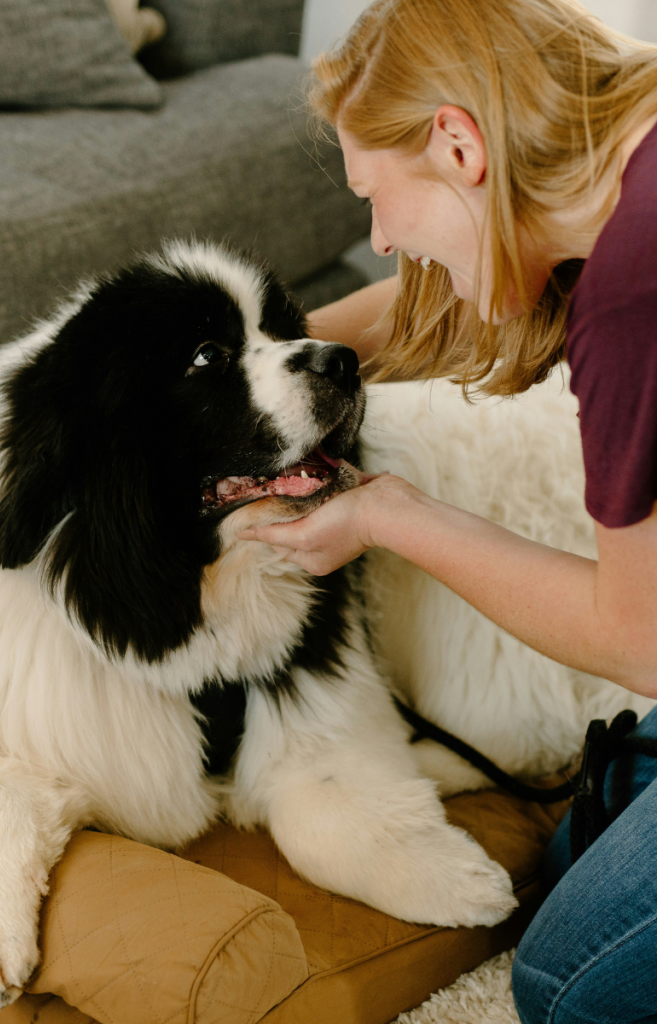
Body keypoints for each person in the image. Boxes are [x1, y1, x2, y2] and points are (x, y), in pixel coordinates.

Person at [239, 0, 657, 1019]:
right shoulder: (620, 178)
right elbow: (431, 297)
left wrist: (389, 514)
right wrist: (259, 362)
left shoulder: (632, 292)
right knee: (575, 855)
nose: (379, 239)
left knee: (564, 982)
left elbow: (641, 639)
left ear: (460, 142)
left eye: (376, 202)